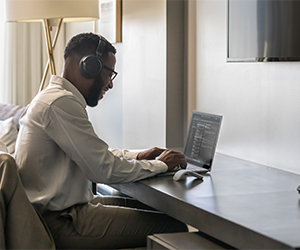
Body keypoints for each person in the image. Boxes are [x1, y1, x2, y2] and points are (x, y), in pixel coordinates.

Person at [15, 33, 188, 249]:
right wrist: (161, 165)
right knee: (174, 229)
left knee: (151, 208)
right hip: (60, 221)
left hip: (62, 211)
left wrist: (137, 156)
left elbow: (96, 154)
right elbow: (104, 169)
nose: (110, 84)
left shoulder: (52, 98)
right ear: (90, 66)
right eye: (110, 73)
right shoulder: (60, 103)